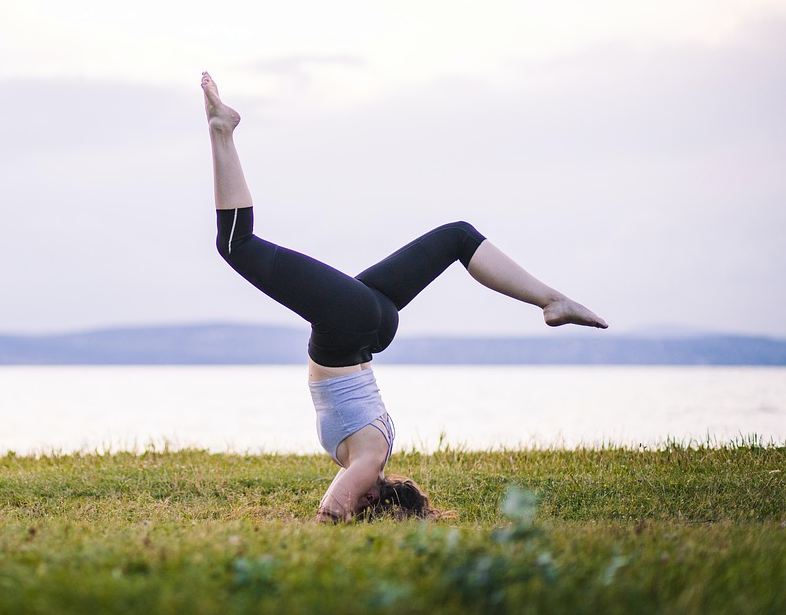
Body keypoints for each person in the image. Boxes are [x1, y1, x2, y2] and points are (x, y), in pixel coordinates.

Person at [200, 71, 607, 522]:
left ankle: (550, 299)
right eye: (362, 501)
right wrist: (324, 525)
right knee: (237, 246)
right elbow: (330, 513)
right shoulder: (368, 461)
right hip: (347, 329)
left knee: (457, 236)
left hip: (374, 328)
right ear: (372, 501)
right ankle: (223, 131)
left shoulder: (377, 448)